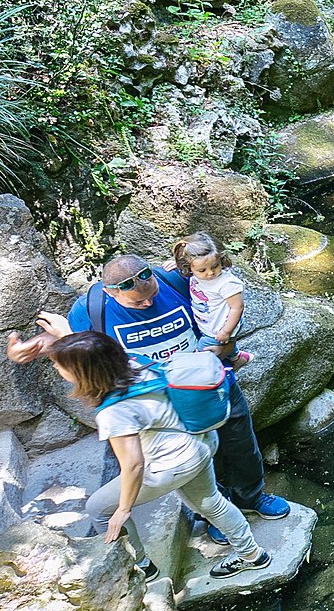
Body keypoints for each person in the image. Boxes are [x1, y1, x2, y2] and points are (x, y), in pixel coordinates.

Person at [6, 254, 289, 536]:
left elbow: (219, 298)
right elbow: (77, 346)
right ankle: (216, 515)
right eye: (137, 302)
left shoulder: (174, 280)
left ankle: (251, 496)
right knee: (195, 460)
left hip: (208, 383)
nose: (148, 303)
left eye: (151, 295)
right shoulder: (91, 309)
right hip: (158, 400)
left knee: (240, 442)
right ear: (110, 292)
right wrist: (31, 347)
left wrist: (224, 343)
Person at [48, 331, 271, 580]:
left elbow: (133, 465)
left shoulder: (114, 412)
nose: (56, 367)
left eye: (60, 364)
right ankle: (253, 555)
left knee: (100, 508)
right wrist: (52, 341)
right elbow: (92, 350)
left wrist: (123, 509)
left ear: (82, 372)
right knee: (211, 502)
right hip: (200, 440)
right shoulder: (133, 362)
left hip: (174, 462)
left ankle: (141, 568)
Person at [174, 232, 252, 369]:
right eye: (202, 270)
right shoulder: (195, 272)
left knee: (201, 353)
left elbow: (237, 307)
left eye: (215, 266)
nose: (210, 273)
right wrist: (173, 264)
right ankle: (237, 358)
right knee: (225, 346)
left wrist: (226, 332)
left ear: (221, 260)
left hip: (220, 328)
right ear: (188, 267)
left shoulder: (226, 283)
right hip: (209, 323)